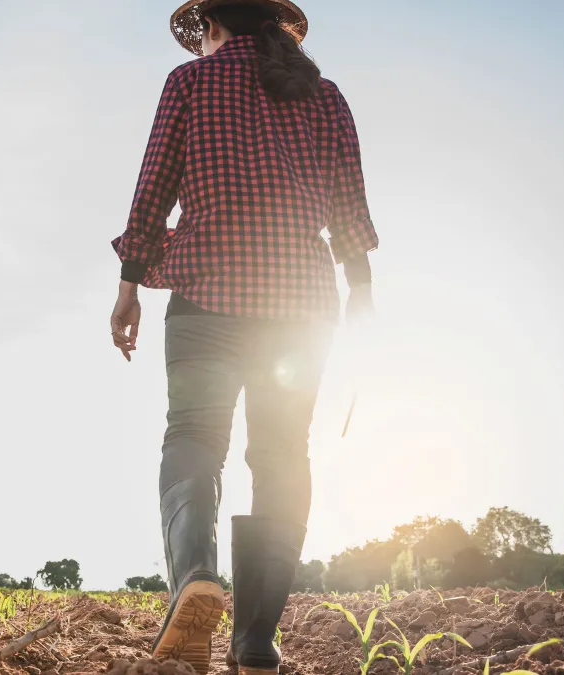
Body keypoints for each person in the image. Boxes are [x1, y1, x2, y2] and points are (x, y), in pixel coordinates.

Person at [108, 1, 379, 674]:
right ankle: (256, 639)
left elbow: (154, 190)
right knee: (283, 455)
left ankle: (195, 578)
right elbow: (350, 213)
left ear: (213, 27)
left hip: (205, 292)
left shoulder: (190, 82)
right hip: (302, 303)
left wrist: (129, 283)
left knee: (195, 437)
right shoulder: (326, 95)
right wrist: (362, 299)